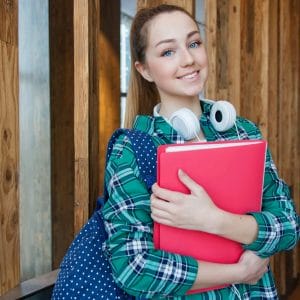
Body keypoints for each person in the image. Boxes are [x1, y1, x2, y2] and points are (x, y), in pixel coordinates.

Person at [102, 4, 299, 299]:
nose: (189, 59)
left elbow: (289, 225)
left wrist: (214, 220)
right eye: (168, 52)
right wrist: (238, 272)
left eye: (194, 43)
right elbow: (133, 267)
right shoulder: (132, 149)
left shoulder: (243, 132)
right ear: (144, 70)